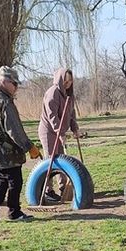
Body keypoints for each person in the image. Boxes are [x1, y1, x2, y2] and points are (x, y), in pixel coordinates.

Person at [0, 65, 41, 222]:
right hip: (9, 151)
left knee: (4, 177)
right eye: (14, 84)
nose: (16, 88)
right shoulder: (5, 102)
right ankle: (14, 213)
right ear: (5, 82)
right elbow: (14, 130)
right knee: (15, 180)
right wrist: (29, 147)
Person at [37, 68, 80, 203]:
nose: (67, 84)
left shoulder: (69, 94)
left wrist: (75, 129)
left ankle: (63, 188)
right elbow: (52, 117)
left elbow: (71, 114)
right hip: (48, 131)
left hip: (59, 130)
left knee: (62, 159)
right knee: (50, 159)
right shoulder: (52, 93)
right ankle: (48, 190)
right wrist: (60, 133)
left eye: (70, 82)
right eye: (65, 81)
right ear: (60, 80)